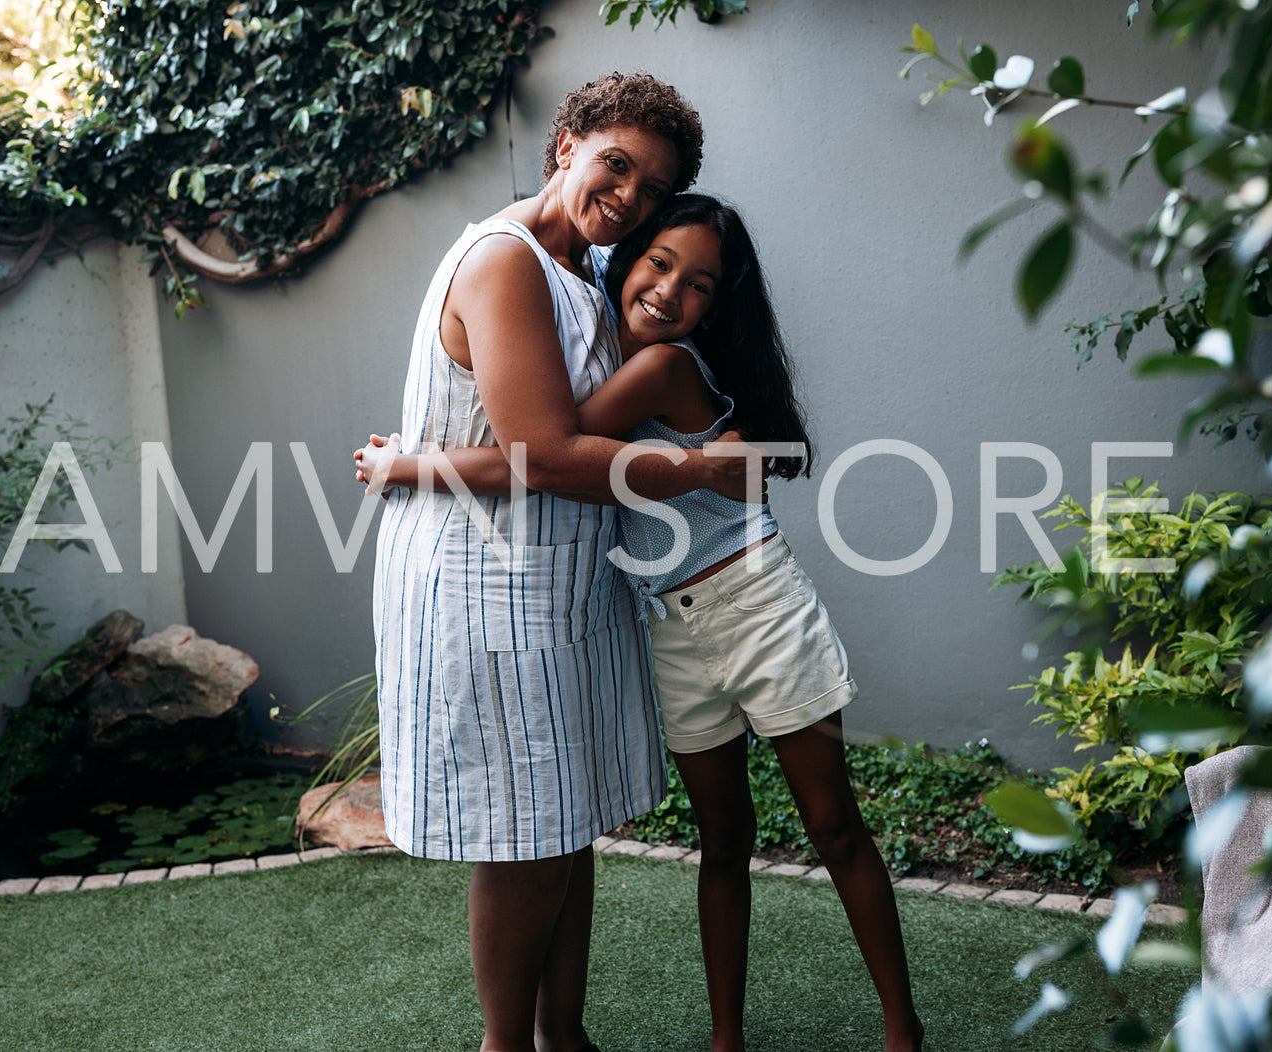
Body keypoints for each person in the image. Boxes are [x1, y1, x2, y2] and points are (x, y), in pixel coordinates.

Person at [360, 194, 925, 1052]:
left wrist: (403, 462)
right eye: (657, 264)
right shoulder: (584, 337)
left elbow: (540, 457)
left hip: (752, 602)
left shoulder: (662, 369)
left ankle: (901, 1031)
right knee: (723, 838)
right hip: (670, 625)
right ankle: (725, 1040)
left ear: (713, 306)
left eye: (697, 285)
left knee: (833, 826)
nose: (668, 294)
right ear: (625, 261)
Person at [369, 75, 751, 1052]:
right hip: (484, 584)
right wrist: (694, 468)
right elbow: (543, 454)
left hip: (557, 582)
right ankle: (508, 1044)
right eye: (613, 164)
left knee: (560, 817)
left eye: (651, 187)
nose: (626, 195)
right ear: (566, 144)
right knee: (523, 833)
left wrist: (411, 457)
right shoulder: (505, 261)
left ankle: (563, 1033)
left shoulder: (578, 266)